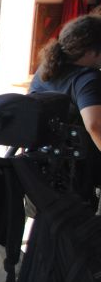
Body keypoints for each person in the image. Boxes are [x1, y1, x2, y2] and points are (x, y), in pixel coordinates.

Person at [28, 13, 101, 201]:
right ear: (91, 51)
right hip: (77, 176)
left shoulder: (45, 70)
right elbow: (94, 125)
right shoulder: (86, 78)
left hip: (39, 172)